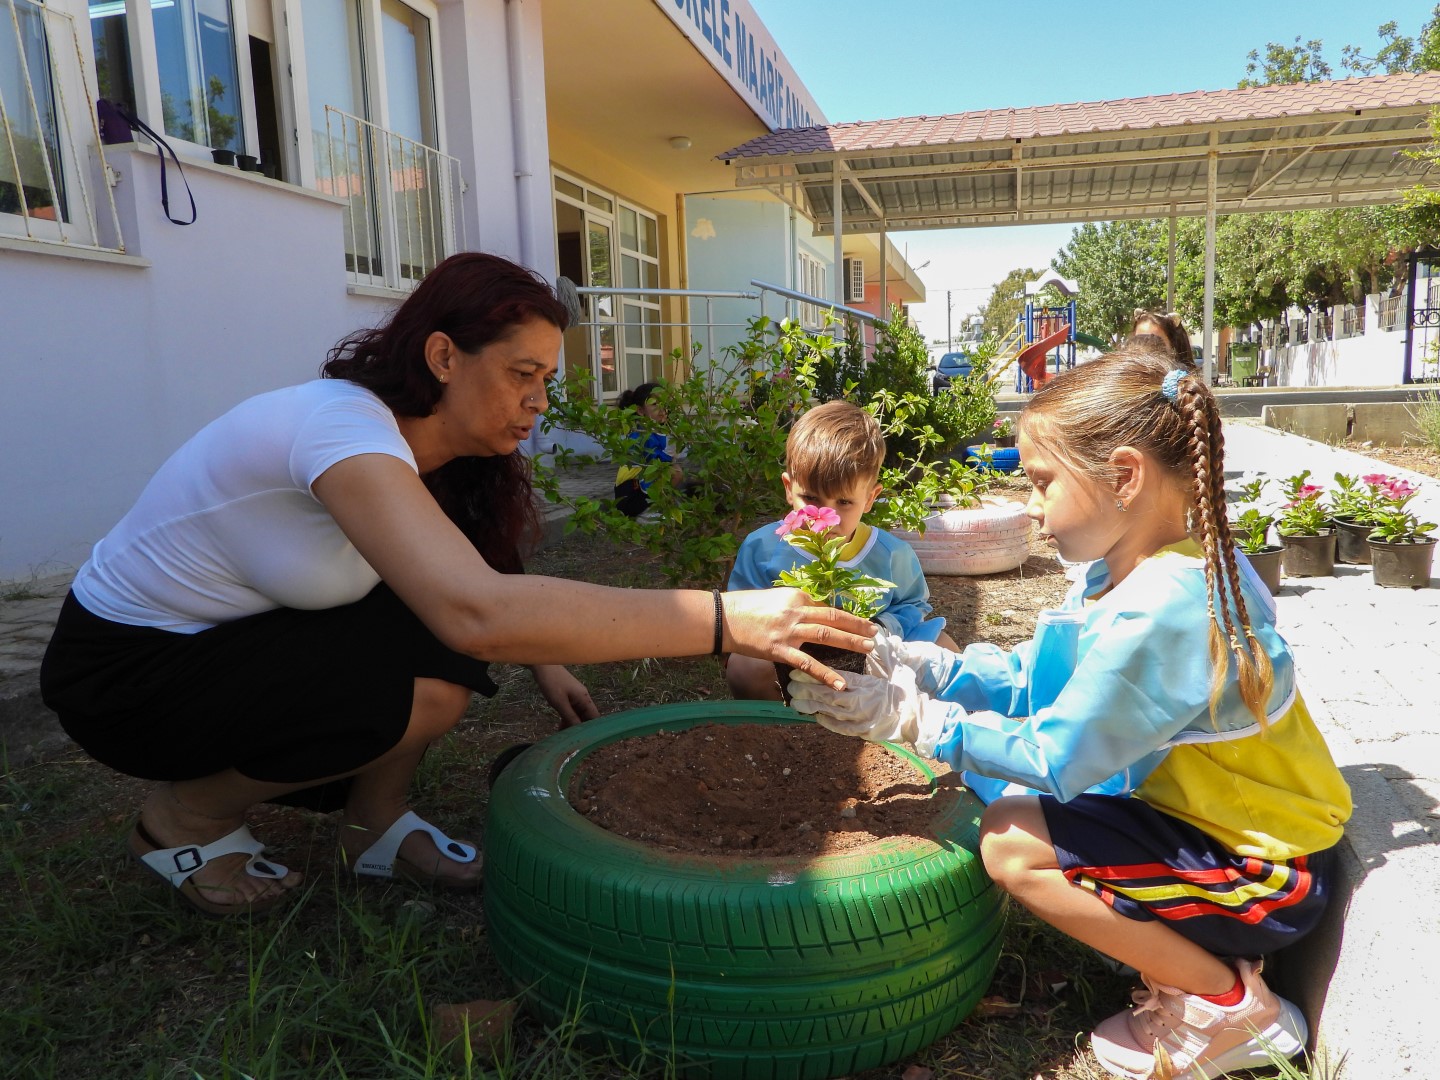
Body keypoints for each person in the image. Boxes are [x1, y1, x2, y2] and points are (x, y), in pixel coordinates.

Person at [40, 251, 875, 920]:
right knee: (419, 657)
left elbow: (481, 586)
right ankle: (185, 817)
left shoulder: (436, 454)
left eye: (546, 382)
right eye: (521, 374)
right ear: (443, 356)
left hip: (231, 644)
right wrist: (726, 619)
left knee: (440, 660)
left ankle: (373, 826)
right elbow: (477, 612)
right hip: (128, 675)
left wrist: (546, 658)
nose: (537, 402)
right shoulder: (340, 430)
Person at [787, 347, 1352, 1080]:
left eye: (1041, 482)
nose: (1030, 505)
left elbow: (1057, 756)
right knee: (1012, 807)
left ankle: (1228, 1007)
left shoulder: (1170, 608)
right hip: (1215, 831)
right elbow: (1039, 679)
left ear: (1124, 476)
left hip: (1264, 875)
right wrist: (930, 667)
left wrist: (914, 719)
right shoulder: (1136, 574)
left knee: (1011, 843)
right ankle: (1188, 954)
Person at [726, 400, 957, 701]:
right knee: (744, 667)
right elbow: (740, 615)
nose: (826, 515)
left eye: (844, 502)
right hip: (792, 657)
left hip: (872, 651)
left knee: (945, 650)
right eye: (811, 498)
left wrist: (879, 629)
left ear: (870, 498)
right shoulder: (762, 547)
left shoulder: (891, 553)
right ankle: (782, 721)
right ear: (788, 488)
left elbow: (912, 605)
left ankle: (917, 718)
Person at [613, 381, 684, 517]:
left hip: (641, 491)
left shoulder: (658, 431)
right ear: (640, 411)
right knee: (673, 471)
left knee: (675, 471)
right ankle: (651, 511)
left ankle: (658, 506)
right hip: (630, 496)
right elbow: (659, 461)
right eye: (655, 404)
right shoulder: (640, 435)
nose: (662, 408)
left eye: (665, 402)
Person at [1130, 309, 1196, 367]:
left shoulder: (1183, 376)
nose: (1144, 349)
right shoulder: (1125, 374)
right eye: (1138, 342)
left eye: (1155, 344)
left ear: (1174, 348)